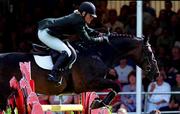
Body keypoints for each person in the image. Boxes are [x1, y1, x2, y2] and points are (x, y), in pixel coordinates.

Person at [37, 1, 109, 84]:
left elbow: (87, 29)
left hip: (49, 31)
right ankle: (53, 74)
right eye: (90, 16)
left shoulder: (79, 17)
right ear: (84, 13)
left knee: (71, 52)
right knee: (66, 52)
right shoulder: (78, 21)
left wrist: (99, 33)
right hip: (45, 33)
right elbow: (88, 40)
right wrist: (101, 39)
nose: (92, 18)